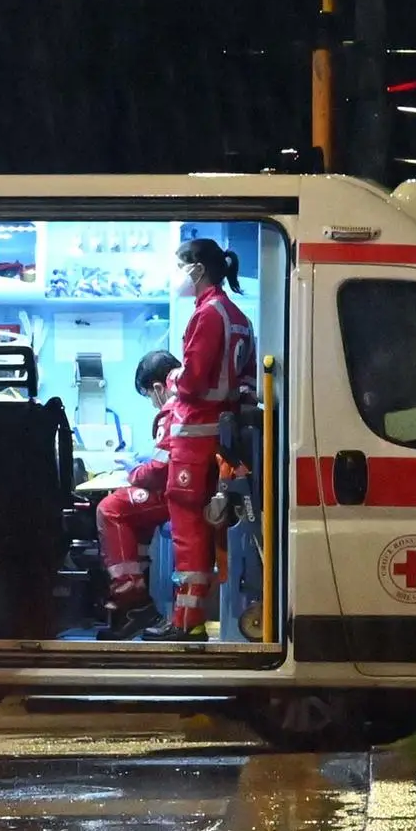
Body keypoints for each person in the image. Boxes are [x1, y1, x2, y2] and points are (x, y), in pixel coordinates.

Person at [160, 236, 257, 638]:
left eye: (181, 265)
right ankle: (193, 619)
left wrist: (170, 377)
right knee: (213, 528)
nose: (178, 275)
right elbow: (248, 380)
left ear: (198, 269)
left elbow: (193, 381)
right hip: (221, 439)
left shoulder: (207, 315)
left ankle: (186, 622)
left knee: (188, 528)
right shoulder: (239, 317)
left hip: (195, 438)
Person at [94, 350, 182, 634]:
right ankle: (133, 607)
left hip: (176, 490)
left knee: (110, 508)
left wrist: (133, 473)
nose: (151, 402)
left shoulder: (172, 411)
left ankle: (132, 598)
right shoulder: (188, 405)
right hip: (185, 485)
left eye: (148, 395)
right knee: (133, 517)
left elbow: (158, 471)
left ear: (158, 388)